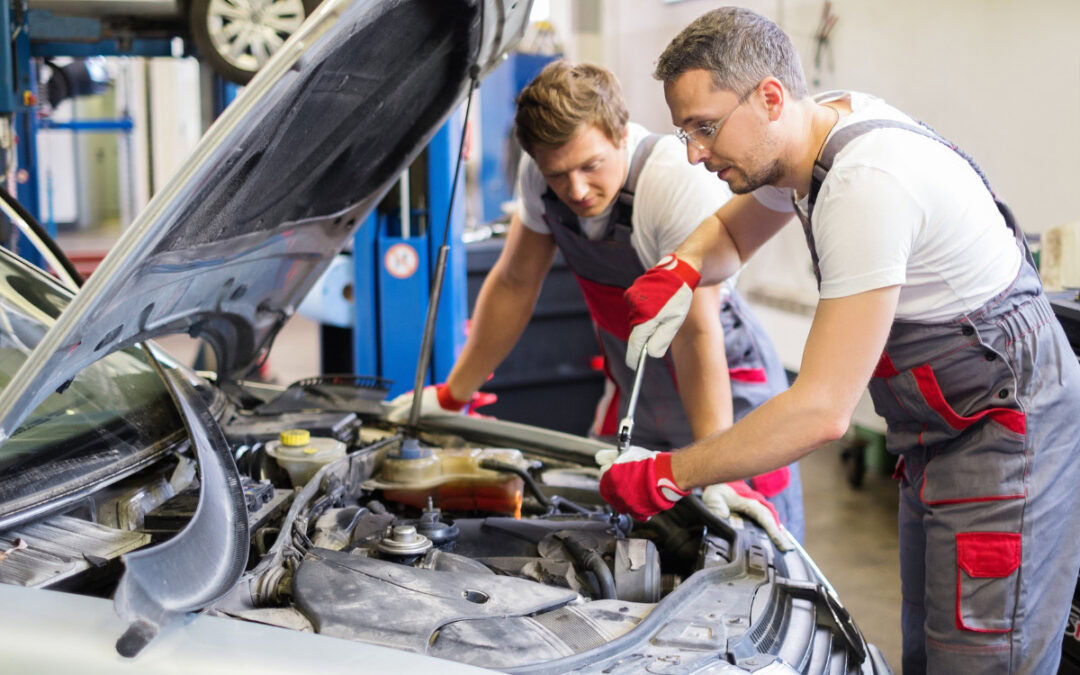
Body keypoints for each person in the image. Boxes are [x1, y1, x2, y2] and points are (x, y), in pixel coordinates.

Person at [598, 6, 1080, 673]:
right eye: (685, 132)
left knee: (982, 659)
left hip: (1004, 440)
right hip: (942, 434)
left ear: (770, 96)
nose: (695, 153)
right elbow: (734, 235)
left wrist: (671, 472)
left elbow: (821, 409)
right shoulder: (807, 136)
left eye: (705, 128)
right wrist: (682, 266)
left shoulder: (863, 184)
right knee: (934, 649)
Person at [389, 60, 804, 541]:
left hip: (723, 383)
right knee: (604, 525)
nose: (577, 190)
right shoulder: (542, 176)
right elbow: (515, 283)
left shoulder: (670, 184)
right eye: (559, 174)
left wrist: (717, 463)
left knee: (748, 542)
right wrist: (454, 394)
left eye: (591, 166)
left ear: (620, 134)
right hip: (636, 381)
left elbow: (695, 332)